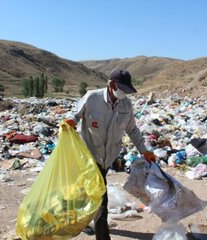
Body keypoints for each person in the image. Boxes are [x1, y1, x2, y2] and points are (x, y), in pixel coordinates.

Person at [65, 69, 155, 240]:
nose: (125, 93)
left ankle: (81, 221)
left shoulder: (126, 105)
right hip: (89, 156)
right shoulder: (92, 98)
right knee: (101, 200)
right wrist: (71, 121)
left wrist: (145, 150)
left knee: (87, 193)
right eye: (123, 89)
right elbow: (75, 116)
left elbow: (132, 130)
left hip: (108, 158)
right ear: (112, 85)